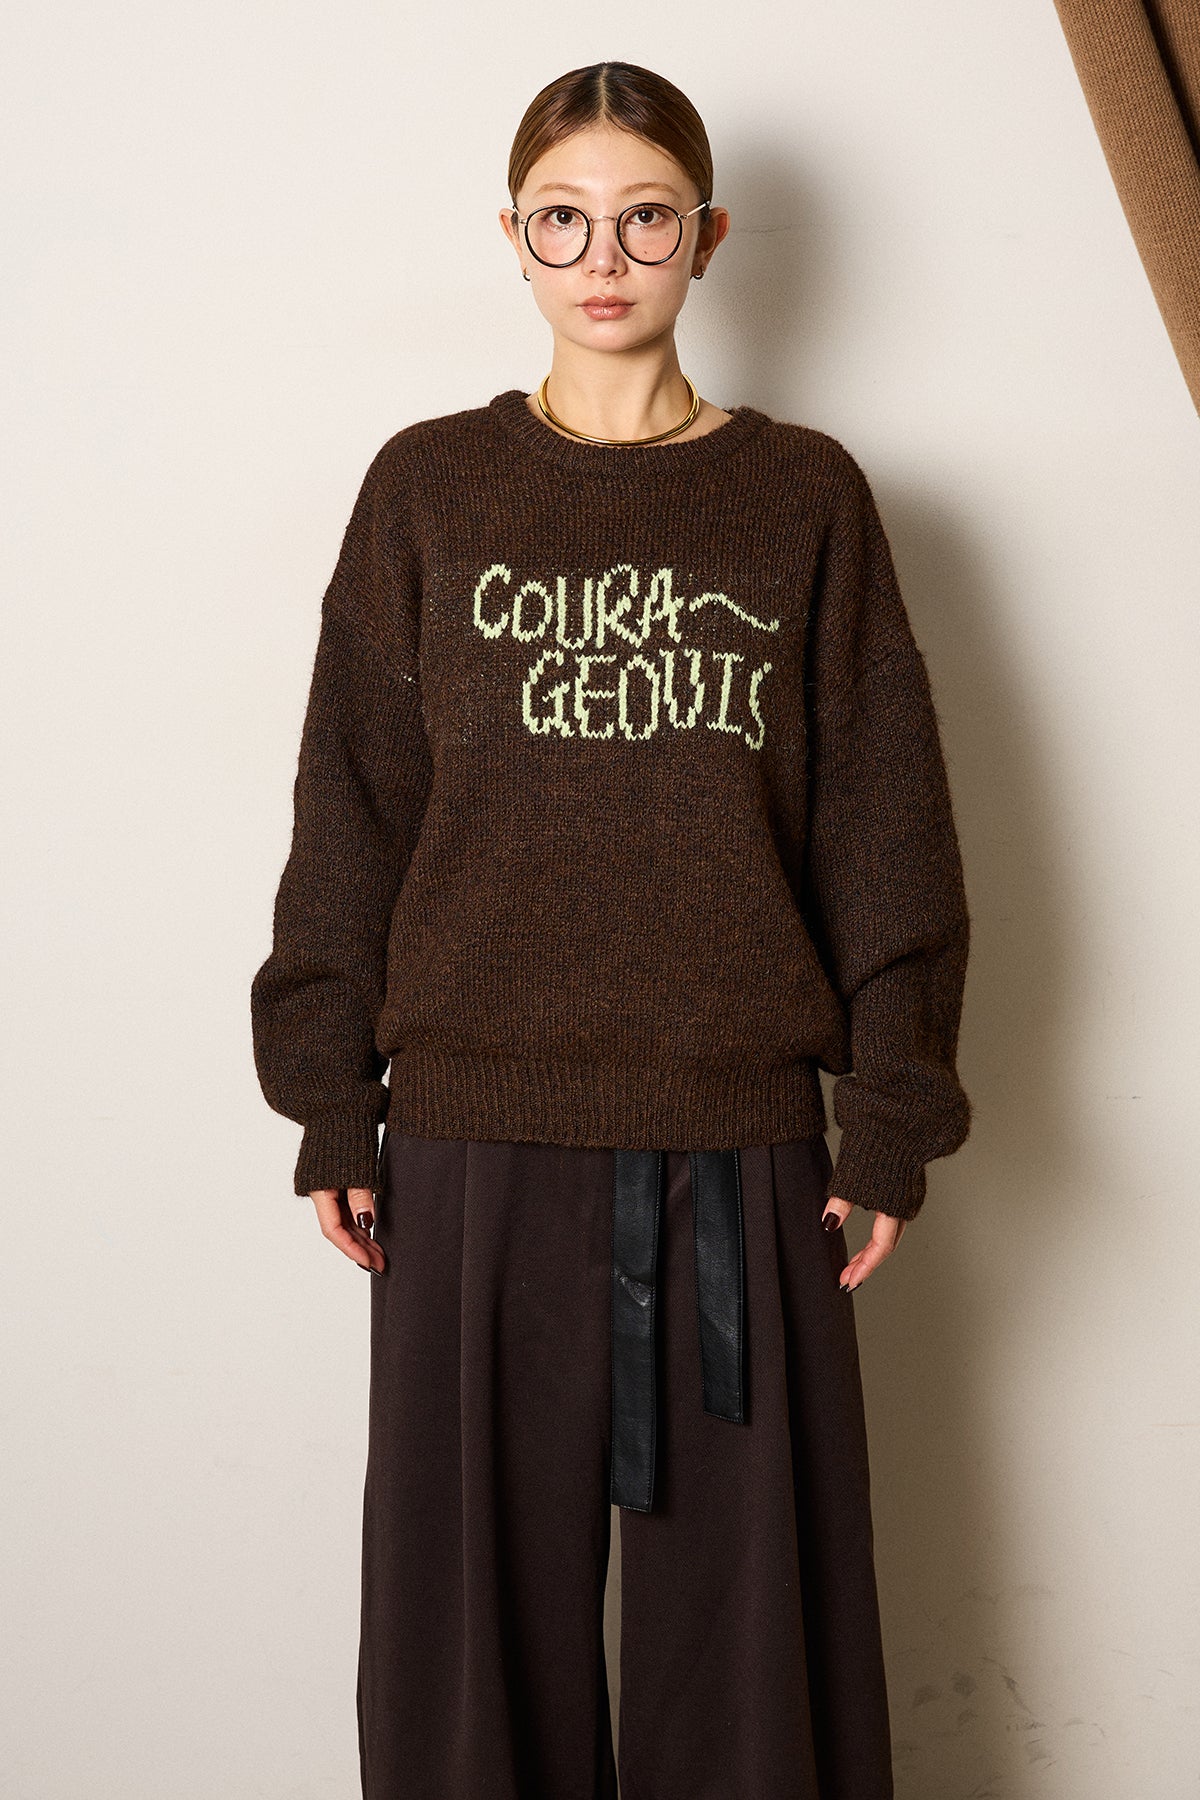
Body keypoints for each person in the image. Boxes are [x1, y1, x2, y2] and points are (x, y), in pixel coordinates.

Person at [250, 58, 972, 1800]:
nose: (604, 258)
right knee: (465, 1648)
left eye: (644, 219)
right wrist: (332, 1101)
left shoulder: (806, 497)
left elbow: (885, 826)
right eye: (564, 221)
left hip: (740, 1148)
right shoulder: (429, 488)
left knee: (756, 1658)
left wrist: (888, 1112)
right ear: (513, 236)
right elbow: (352, 808)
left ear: (705, 238)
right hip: (469, 1144)